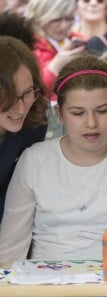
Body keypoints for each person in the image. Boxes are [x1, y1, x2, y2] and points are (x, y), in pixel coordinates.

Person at [0, 54, 107, 268]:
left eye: (102, 111)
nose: (91, 123)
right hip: (48, 288)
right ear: (59, 114)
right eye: (78, 113)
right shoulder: (34, 161)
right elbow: (9, 253)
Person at [0, 36, 48, 222]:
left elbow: (22, 193)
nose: (20, 109)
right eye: (8, 97)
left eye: (27, 93)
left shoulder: (34, 123)